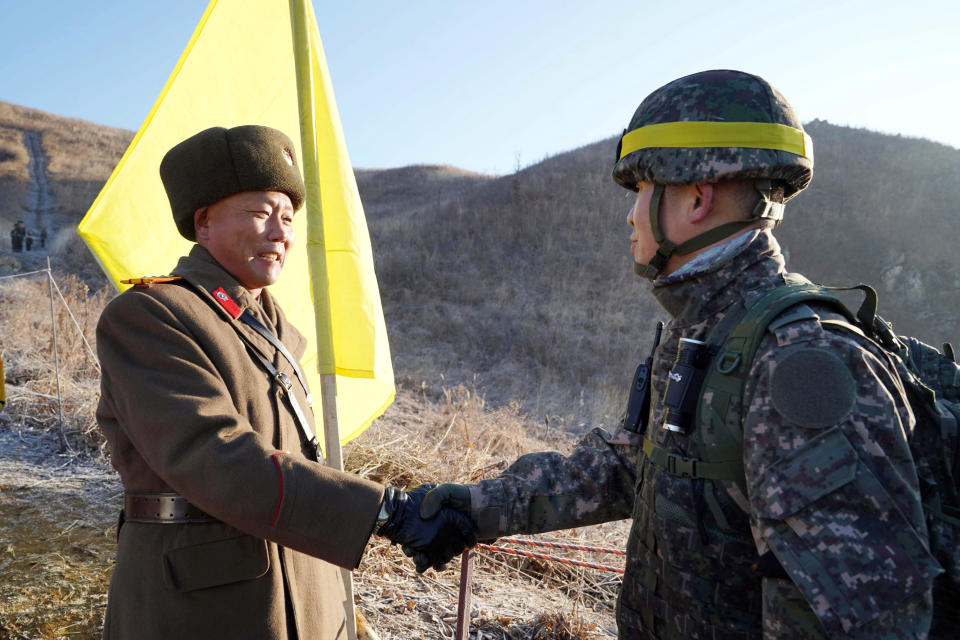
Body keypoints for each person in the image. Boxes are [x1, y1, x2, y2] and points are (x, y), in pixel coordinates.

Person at [418, 70, 943, 638]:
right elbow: (630, 468)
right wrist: (475, 506)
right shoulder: (708, 332)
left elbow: (861, 621)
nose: (630, 214)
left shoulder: (801, 361)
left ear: (696, 197)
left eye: (642, 191)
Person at [95, 125, 475, 639]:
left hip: (305, 590)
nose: (281, 233)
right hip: (203, 607)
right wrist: (386, 512)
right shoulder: (150, 317)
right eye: (259, 212)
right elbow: (217, 457)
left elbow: (297, 464)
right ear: (203, 222)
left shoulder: (276, 332)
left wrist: (344, 615)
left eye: (288, 217)